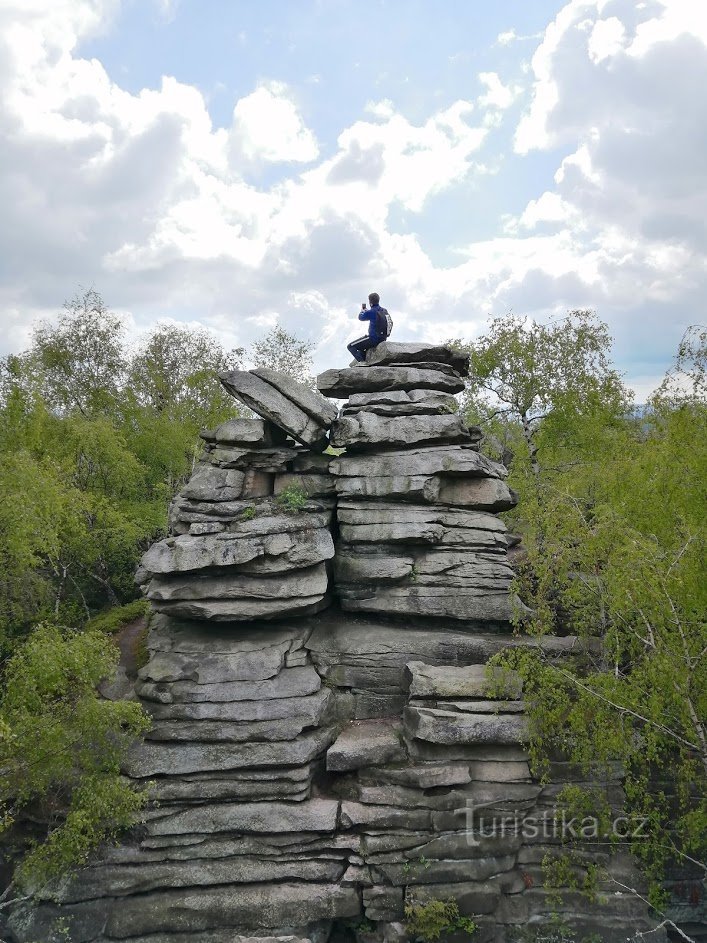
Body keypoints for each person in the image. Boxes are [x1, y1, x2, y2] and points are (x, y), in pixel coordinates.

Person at [347, 292, 390, 363]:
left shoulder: (371, 311)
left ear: (370, 301)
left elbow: (361, 317)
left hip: (373, 339)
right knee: (361, 349)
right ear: (378, 300)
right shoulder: (384, 310)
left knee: (350, 346)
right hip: (383, 338)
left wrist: (363, 311)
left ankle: (362, 363)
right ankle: (366, 361)